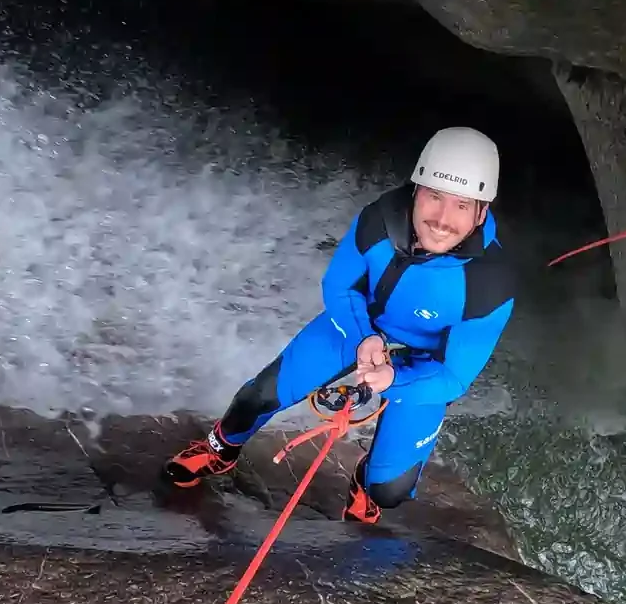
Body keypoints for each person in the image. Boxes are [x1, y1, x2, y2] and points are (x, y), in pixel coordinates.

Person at [162, 127, 518, 523]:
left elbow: (453, 377)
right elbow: (340, 283)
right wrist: (363, 335)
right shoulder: (378, 221)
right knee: (256, 398)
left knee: (391, 491)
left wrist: (392, 380)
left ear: (482, 212)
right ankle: (220, 449)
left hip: (423, 366)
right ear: (415, 190)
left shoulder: (490, 285)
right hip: (362, 325)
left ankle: (366, 483)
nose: (441, 220)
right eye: (434, 197)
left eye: (461, 206)